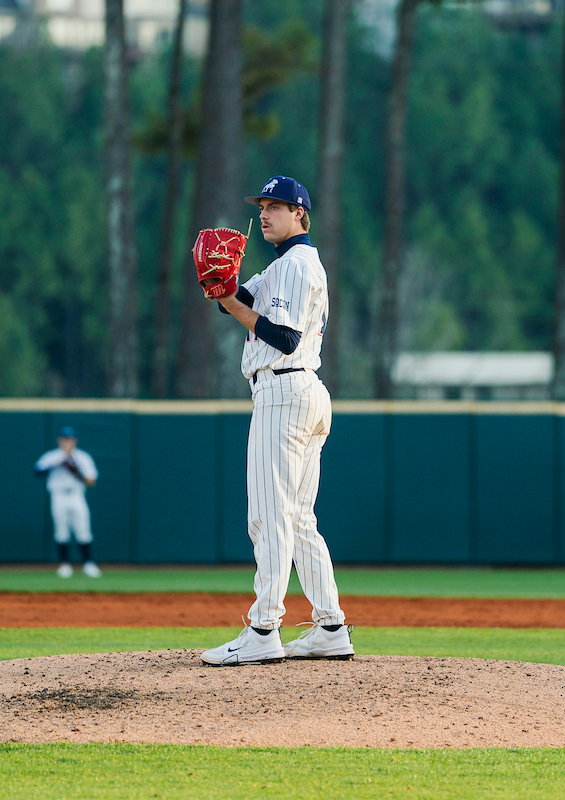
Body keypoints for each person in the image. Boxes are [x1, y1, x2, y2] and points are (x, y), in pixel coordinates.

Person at [200, 175, 353, 666]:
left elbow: (283, 338)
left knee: (268, 517)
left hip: (284, 389)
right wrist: (221, 289)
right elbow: (238, 304)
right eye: (262, 206)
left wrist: (230, 301)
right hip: (307, 391)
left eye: (276, 206)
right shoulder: (288, 265)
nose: (265, 214)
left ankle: (264, 628)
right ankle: (330, 626)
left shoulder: (293, 265)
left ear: (300, 215)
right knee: (300, 520)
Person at [35, 427, 101, 578]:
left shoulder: (83, 457)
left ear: (74, 440)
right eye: (64, 439)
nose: (66, 442)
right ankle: (65, 564)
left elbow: (91, 481)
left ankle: (88, 564)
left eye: (69, 439)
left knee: (83, 529)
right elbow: (37, 471)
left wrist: (75, 470)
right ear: (59, 440)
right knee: (61, 530)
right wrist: (57, 463)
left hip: (76, 495)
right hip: (58, 495)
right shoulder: (53, 456)